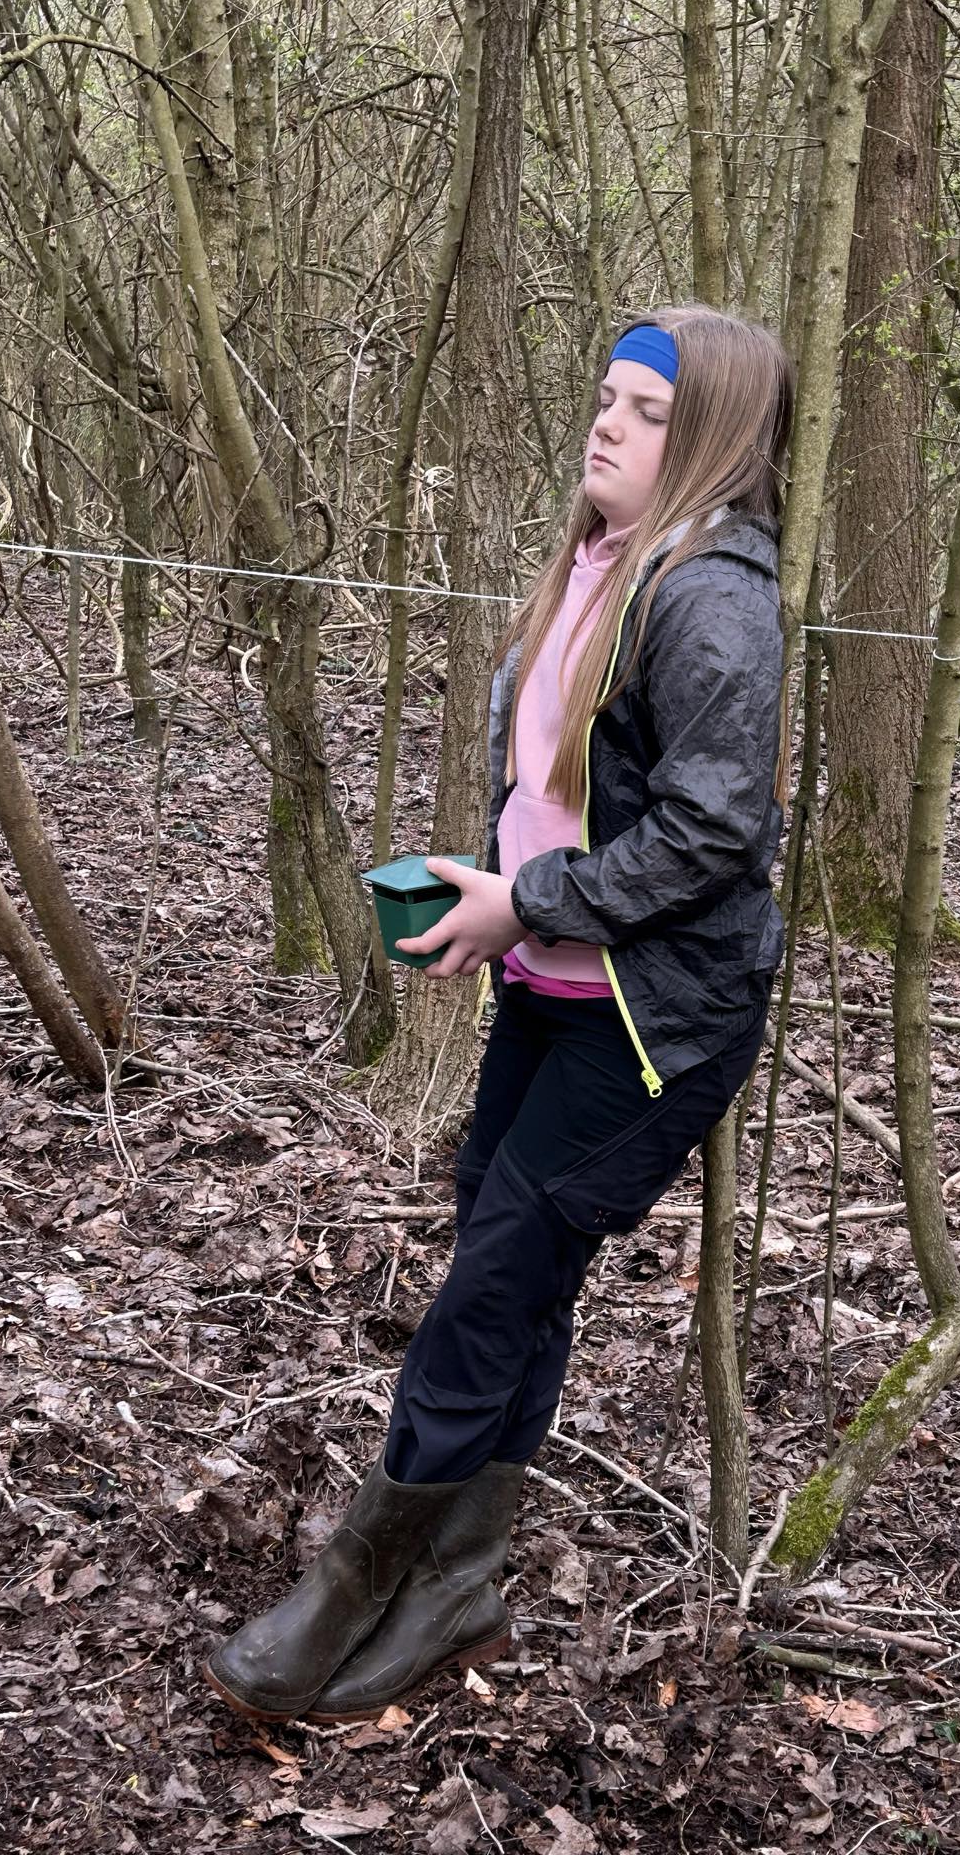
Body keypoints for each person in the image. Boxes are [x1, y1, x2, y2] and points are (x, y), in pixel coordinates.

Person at [206, 305, 792, 1725]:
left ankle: (358, 1579)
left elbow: (715, 833)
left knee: (489, 1290)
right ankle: (458, 1582)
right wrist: (488, 898)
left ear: (712, 439)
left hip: (657, 1020)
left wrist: (522, 902)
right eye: (608, 397)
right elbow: (558, 790)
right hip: (553, 981)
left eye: (649, 412)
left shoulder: (712, 600)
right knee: (509, 1267)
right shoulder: (597, 565)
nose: (609, 425)